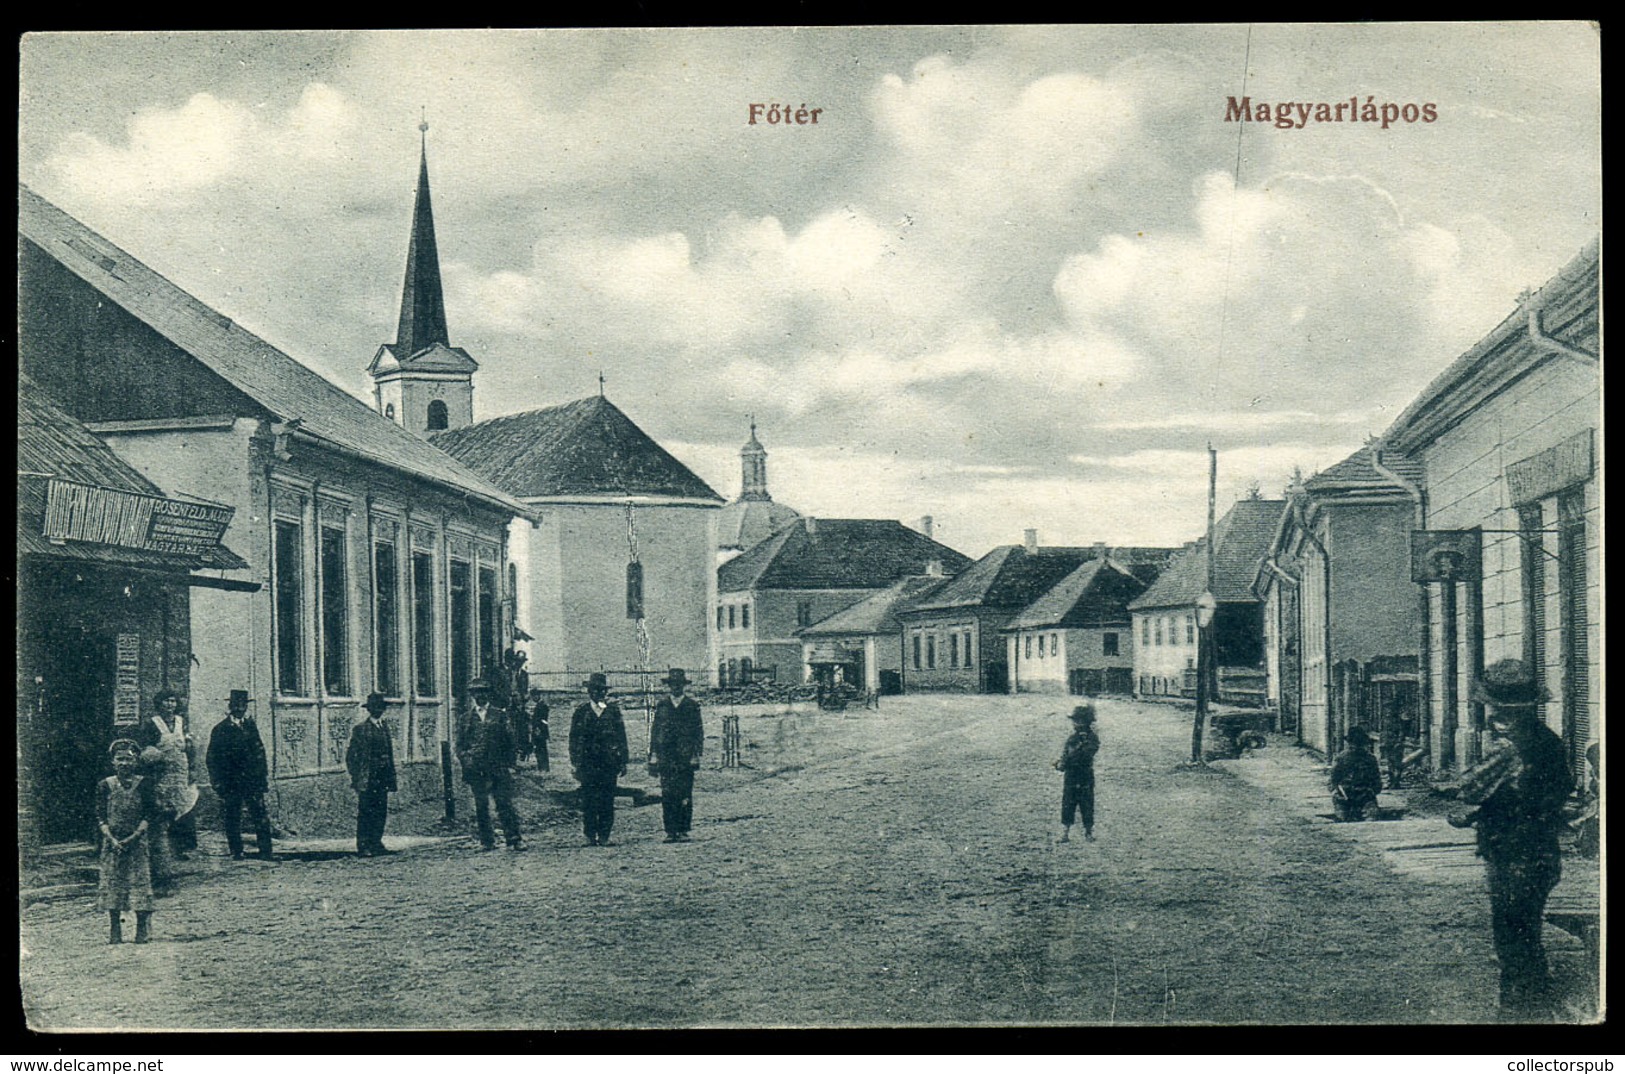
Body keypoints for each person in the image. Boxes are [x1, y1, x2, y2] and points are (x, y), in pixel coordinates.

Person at [1448, 659, 1573, 1021]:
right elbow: (1561, 788)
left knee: (1511, 937)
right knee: (1528, 931)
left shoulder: (1506, 747)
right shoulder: (1550, 741)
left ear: (1502, 710)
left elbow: (1468, 789)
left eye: (1490, 706)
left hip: (1511, 853)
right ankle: (1538, 1000)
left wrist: (1471, 809)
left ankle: (1519, 1010)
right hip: (1544, 851)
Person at [97, 739, 157, 944]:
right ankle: (115, 928)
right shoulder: (105, 785)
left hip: (137, 842)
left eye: (129, 759)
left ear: (136, 762)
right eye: (120, 759)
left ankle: (142, 928)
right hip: (112, 843)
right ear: (113, 762)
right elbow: (100, 817)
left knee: (139, 883)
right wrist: (111, 839)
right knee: (113, 883)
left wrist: (134, 836)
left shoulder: (144, 784)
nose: (124, 764)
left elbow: (149, 815)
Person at [456, 677, 525, 852]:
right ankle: (487, 841)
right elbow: (460, 745)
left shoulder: (500, 716)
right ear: (472, 695)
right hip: (476, 769)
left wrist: (511, 764)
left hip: (498, 767)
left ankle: (514, 839)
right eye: (476, 692)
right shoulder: (465, 719)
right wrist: (466, 759)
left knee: (504, 803)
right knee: (481, 806)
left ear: (488, 694)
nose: (480, 695)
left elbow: (510, 741)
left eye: (483, 691)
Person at [138, 690, 198, 890]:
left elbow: (189, 748)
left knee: (182, 809)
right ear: (159, 704)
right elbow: (146, 750)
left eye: (173, 701)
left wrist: (190, 752)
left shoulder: (181, 721)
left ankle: (178, 850)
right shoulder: (153, 724)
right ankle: (161, 861)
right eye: (166, 701)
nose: (170, 705)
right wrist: (153, 755)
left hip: (180, 771)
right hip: (161, 773)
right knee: (162, 812)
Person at [205, 690, 274, 861]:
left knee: (260, 815)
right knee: (233, 816)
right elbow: (212, 758)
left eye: (243, 705)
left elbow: (260, 753)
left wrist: (262, 777)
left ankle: (266, 851)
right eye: (236, 705)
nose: (240, 708)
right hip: (232, 782)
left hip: (252, 780)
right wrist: (218, 783)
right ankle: (237, 851)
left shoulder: (250, 726)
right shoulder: (221, 729)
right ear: (230, 707)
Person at [570, 672, 628, 846]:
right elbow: (573, 738)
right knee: (588, 799)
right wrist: (574, 761)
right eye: (594, 690)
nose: (597, 694)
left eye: (601, 691)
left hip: (608, 763)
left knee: (607, 799)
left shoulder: (612, 711)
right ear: (589, 692)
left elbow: (621, 736)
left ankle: (604, 835)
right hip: (587, 763)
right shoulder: (581, 712)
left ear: (605, 692)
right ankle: (589, 835)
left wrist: (623, 760)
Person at [649, 668, 704, 843]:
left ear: (683, 686)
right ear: (669, 686)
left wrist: (696, 754)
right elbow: (655, 731)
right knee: (667, 793)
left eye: (679, 684)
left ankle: (683, 830)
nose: (676, 688)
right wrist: (653, 755)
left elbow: (698, 732)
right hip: (666, 756)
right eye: (673, 685)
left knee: (685, 793)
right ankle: (670, 831)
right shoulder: (663, 706)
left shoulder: (692, 706)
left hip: (685, 757)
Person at [346, 693, 398, 857]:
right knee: (366, 811)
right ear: (370, 710)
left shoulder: (384, 727)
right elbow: (351, 756)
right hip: (368, 777)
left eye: (381, 708)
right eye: (375, 707)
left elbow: (389, 753)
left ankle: (376, 842)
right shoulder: (361, 729)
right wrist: (357, 776)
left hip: (383, 777)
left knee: (380, 810)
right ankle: (364, 845)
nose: (378, 710)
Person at [1055, 705, 1101, 843]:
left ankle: (1088, 832)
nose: (1074, 724)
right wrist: (1060, 763)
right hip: (1071, 775)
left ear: (1085, 722)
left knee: (1087, 804)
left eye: (1077, 721)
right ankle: (1065, 833)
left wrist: (1067, 760)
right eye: (1074, 721)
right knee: (1068, 803)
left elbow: (1087, 754)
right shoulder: (1072, 738)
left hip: (1085, 774)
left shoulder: (1092, 738)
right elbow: (1065, 753)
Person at [1329, 727, 1383, 822]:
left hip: (1365, 797)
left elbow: (1377, 782)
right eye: (1354, 744)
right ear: (1349, 744)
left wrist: (1370, 792)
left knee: (1373, 819)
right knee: (1342, 820)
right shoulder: (1341, 758)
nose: (1356, 747)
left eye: (1359, 744)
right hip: (1344, 797)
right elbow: (1333, 781)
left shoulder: (1370, 759)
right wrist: (1337, 793)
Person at [529, 688, 551, 772]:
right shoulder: (540, 705)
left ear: (537, 696)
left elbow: (543, 720)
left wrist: (539, 729)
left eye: (534, 696)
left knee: (541, 750)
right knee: (539, 750)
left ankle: (543, 768)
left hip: (539, 731)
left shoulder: (542, 705)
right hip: (538, 731)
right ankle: (542, 767)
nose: (533, 699)